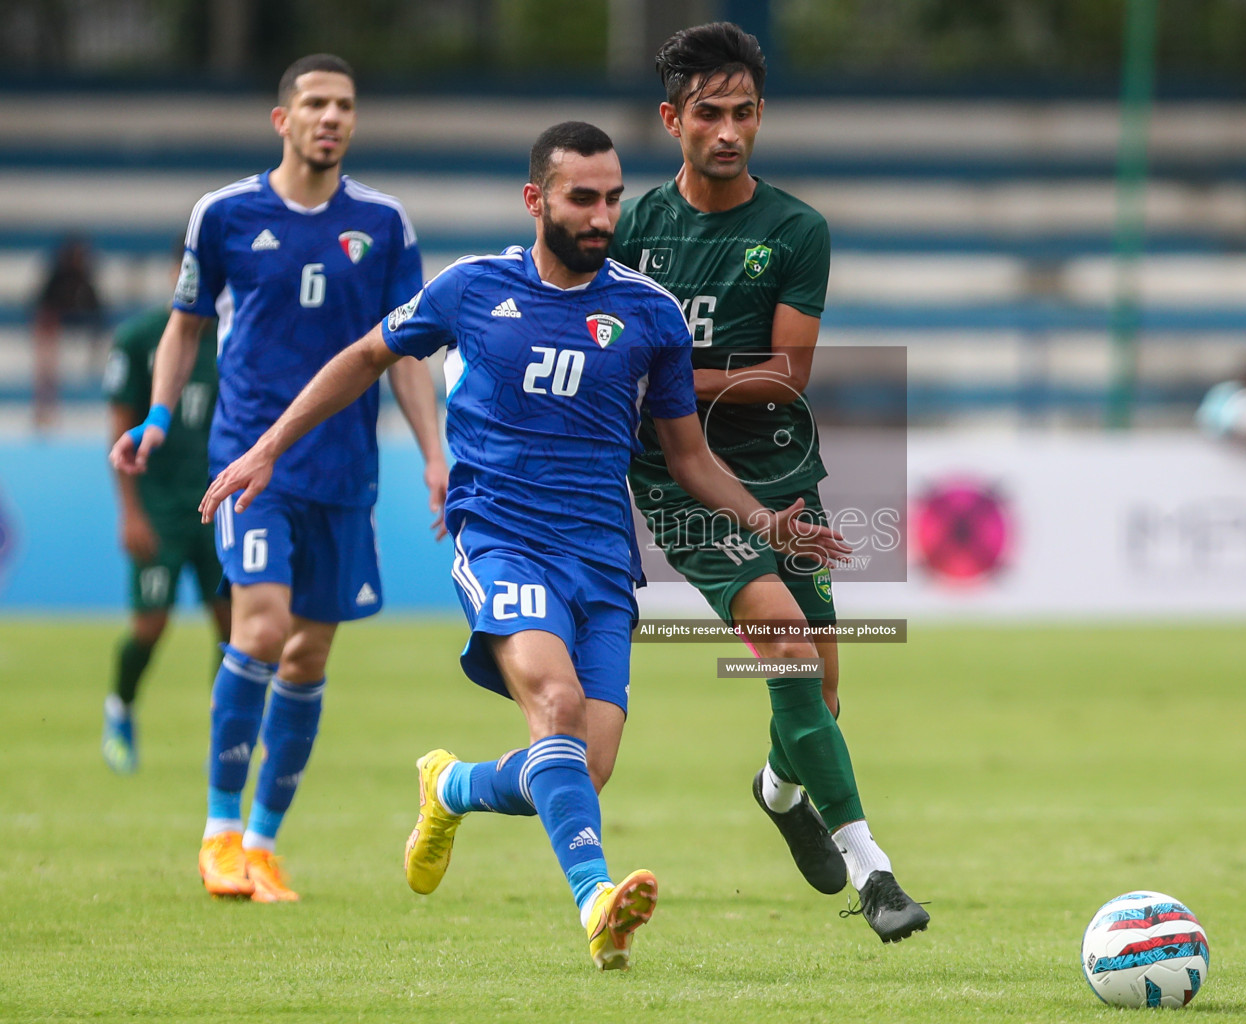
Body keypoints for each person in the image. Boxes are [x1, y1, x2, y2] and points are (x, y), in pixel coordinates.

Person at [198, 121, 849, 970]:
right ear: (536, 199)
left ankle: (452, 786)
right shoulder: (472, 289)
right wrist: (268, 446)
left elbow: (688, 456)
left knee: (586, 763)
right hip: (502, 539)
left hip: (602, 560)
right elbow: (364, 356)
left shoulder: (647, 314)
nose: (603, 216)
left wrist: (763, 520)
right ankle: (596, 904)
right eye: (583, 198)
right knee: (555, 702)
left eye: (614, 198)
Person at [610, 22, 928, 944]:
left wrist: (662, 372)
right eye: (708, 113)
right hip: (675, 471)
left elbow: (785, 373)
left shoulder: (795, 229)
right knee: (784, 639)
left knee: (819, 699)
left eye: (743, 113)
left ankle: (779, 790)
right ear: (673, 119)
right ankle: (876, 874)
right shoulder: (631, 229)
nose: (727, 131)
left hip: (782, 471)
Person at [110, 54, 447, 903]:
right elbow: (184, 331)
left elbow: (401, 353)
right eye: (316, 104)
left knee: (309, 651)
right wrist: (155, 416)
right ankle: (219, 833)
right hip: (250, 461)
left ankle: (262, 843)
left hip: (345, 470)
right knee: (259, 628)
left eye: (345, 105)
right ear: (282, 119)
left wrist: (434, 455)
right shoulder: (224, 214)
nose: (331, 118)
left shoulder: (385, 223)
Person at [101, 261, 229, 774]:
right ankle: (121, 709)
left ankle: (225, 732)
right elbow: (120, 427)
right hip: (158, 509)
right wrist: (130, 512)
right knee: (150, 625)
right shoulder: (140, 339)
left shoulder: (235, 340)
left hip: (218, 507)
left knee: (233, 627)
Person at [33, 236, 105, 430]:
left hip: (80, 330)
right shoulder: (57, 278)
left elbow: (97, 309)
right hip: (56, 332)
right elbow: (42, 305)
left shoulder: (85, 278)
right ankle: (46, 407)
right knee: (46, 333)